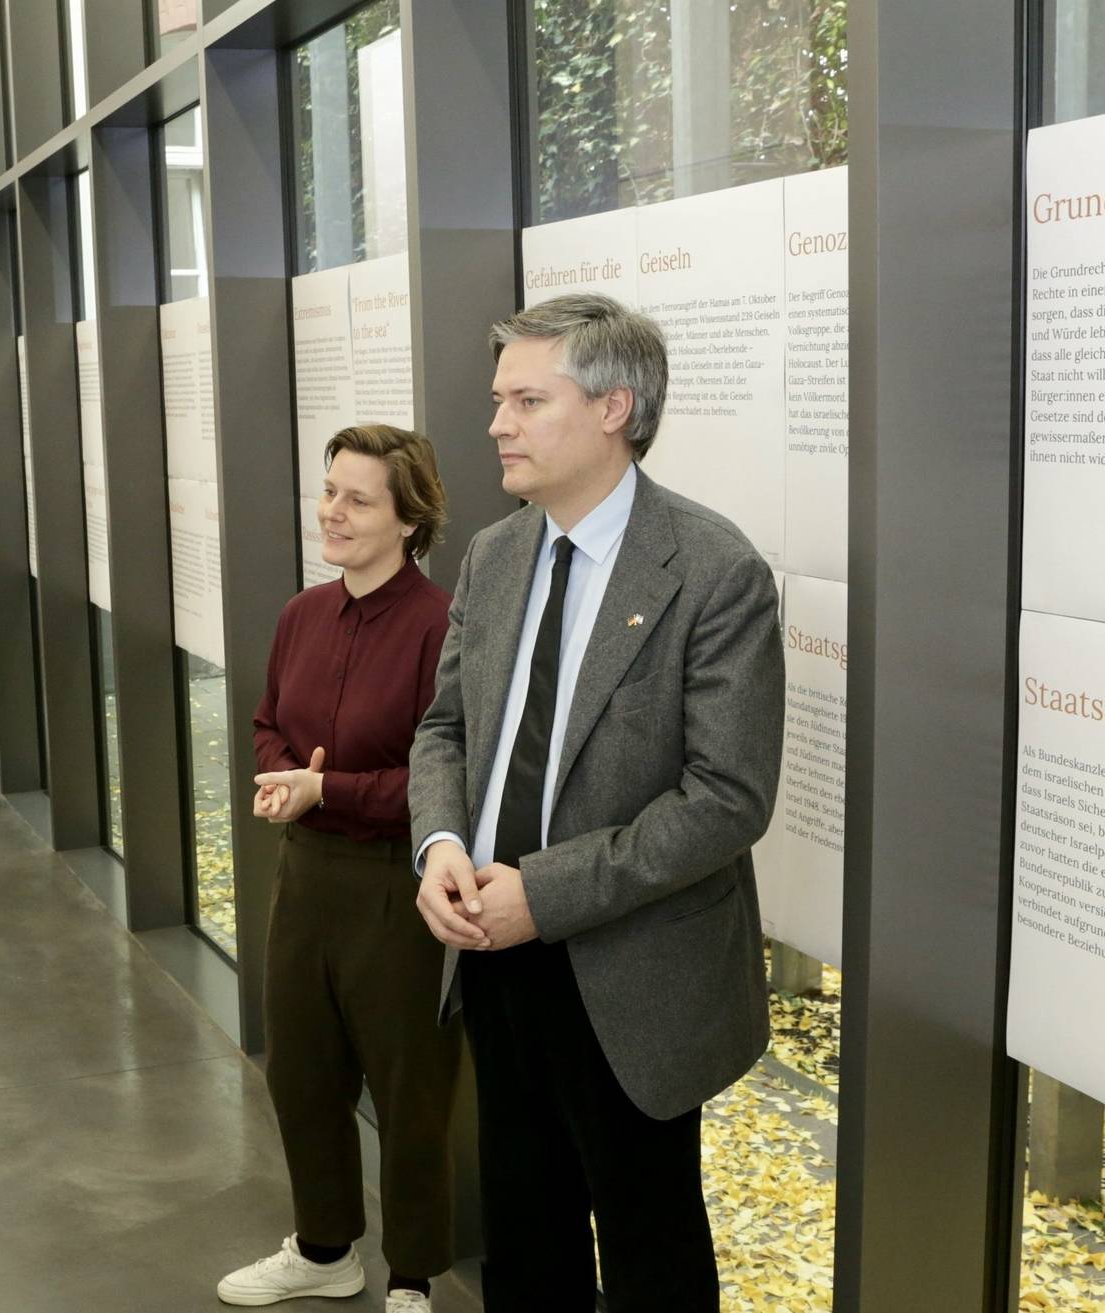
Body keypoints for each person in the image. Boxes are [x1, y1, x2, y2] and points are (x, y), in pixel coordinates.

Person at [409, 294, 783, 1311]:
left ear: (615, 406)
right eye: (499, 400)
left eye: (528, 400)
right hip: (491, 952)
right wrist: (440, 841)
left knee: (651, 1246)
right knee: (525, 1241)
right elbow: (445, 728)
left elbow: (727, 798)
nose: (496, 424)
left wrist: (546, 890)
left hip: (634, 972)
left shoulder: (713, 571)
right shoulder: (493, 555)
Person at [219, 425, 461, 1313]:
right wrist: (287, 778)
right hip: (307, 876)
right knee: (302, 1068)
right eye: (330, 490)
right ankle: (325, 1250)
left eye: (358, 498)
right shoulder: (300, 614)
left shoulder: (441, 623)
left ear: (409, 518)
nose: (333, 511)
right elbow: (266, 724)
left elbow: (442, 778)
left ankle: (411, 1276)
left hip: (400, 882)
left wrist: (329, 790)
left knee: (409, 1089)